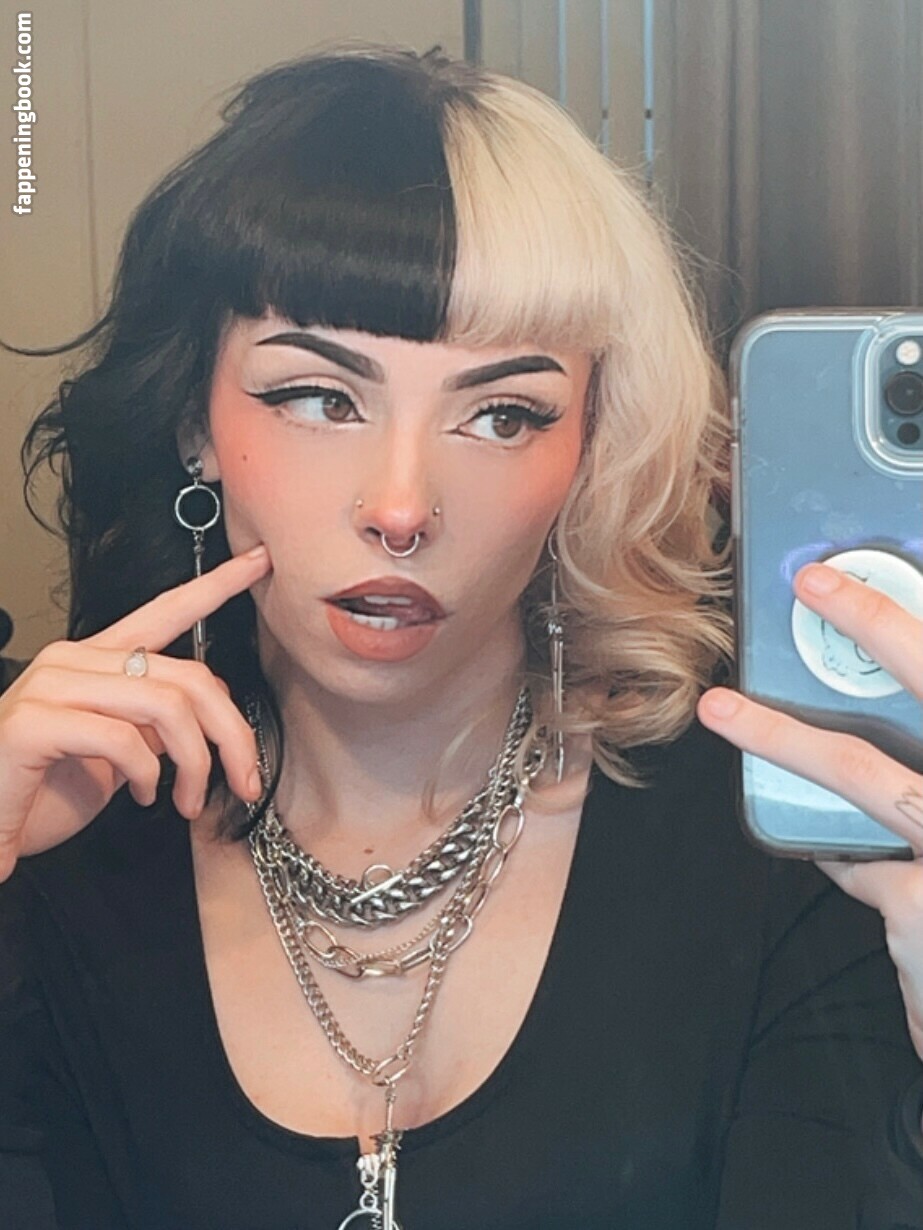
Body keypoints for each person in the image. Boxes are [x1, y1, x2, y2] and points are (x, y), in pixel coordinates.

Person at [0, 42, 921, 1230]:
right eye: (320, 398)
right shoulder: (52, 832)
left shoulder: (775, 855)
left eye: (501, 415)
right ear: (194, 424)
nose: (400, 507)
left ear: (590, 450)